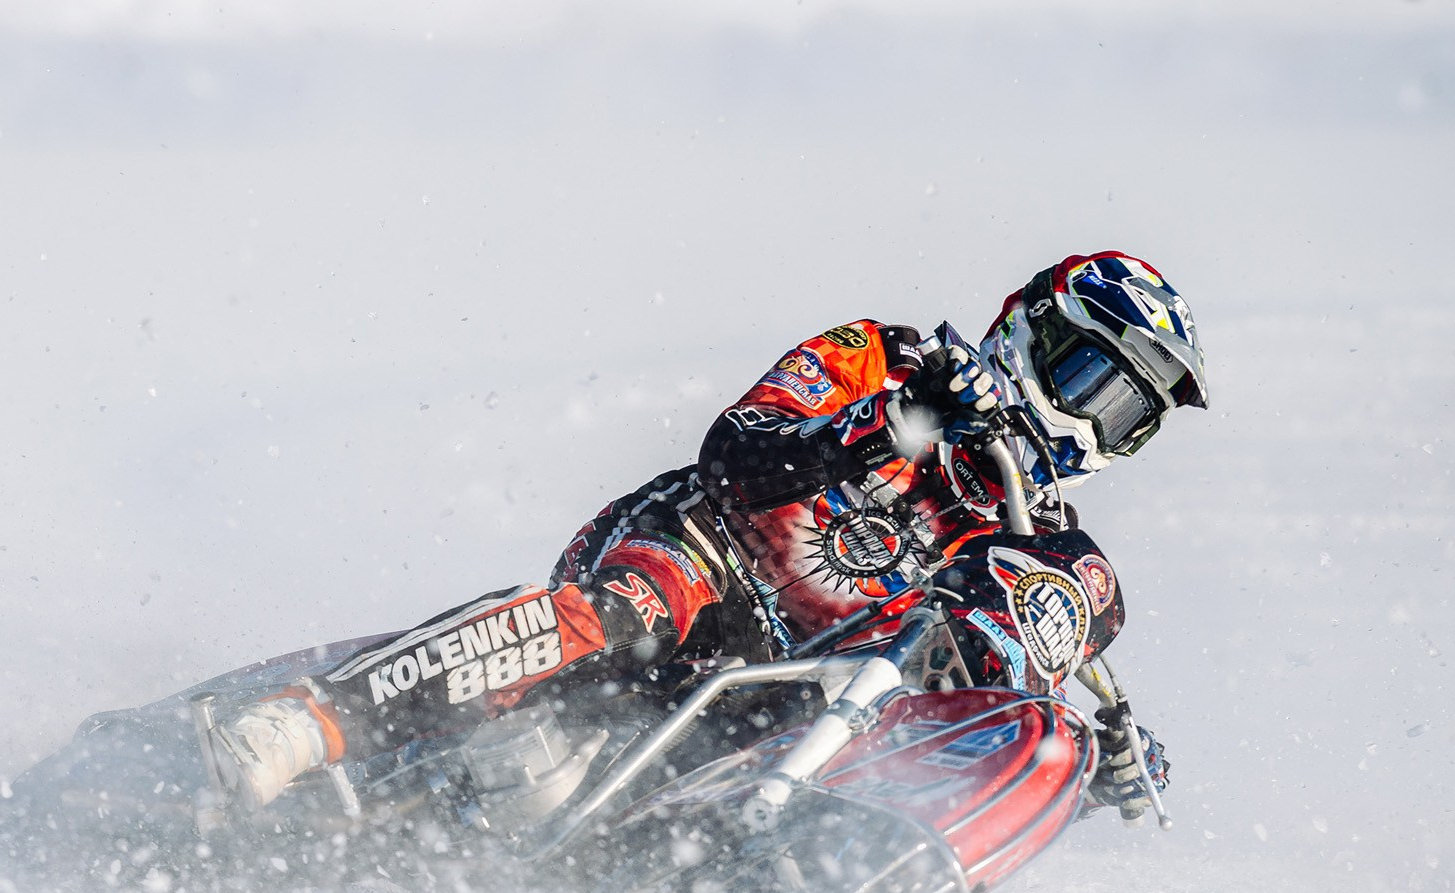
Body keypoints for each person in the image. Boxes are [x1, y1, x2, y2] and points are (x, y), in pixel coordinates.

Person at [208, 250, 1205, 821]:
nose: (1088, 424)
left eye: (1126, 416)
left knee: (572, 785)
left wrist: (1080, 771)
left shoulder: (1037, 553)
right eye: (1088, 381)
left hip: (790, 698)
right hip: (701, 558)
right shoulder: (882, 359)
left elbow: (979, 689)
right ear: (1027, 330)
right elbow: (738, 449)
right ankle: (303, 724)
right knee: (630, 611)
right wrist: (895, 426)